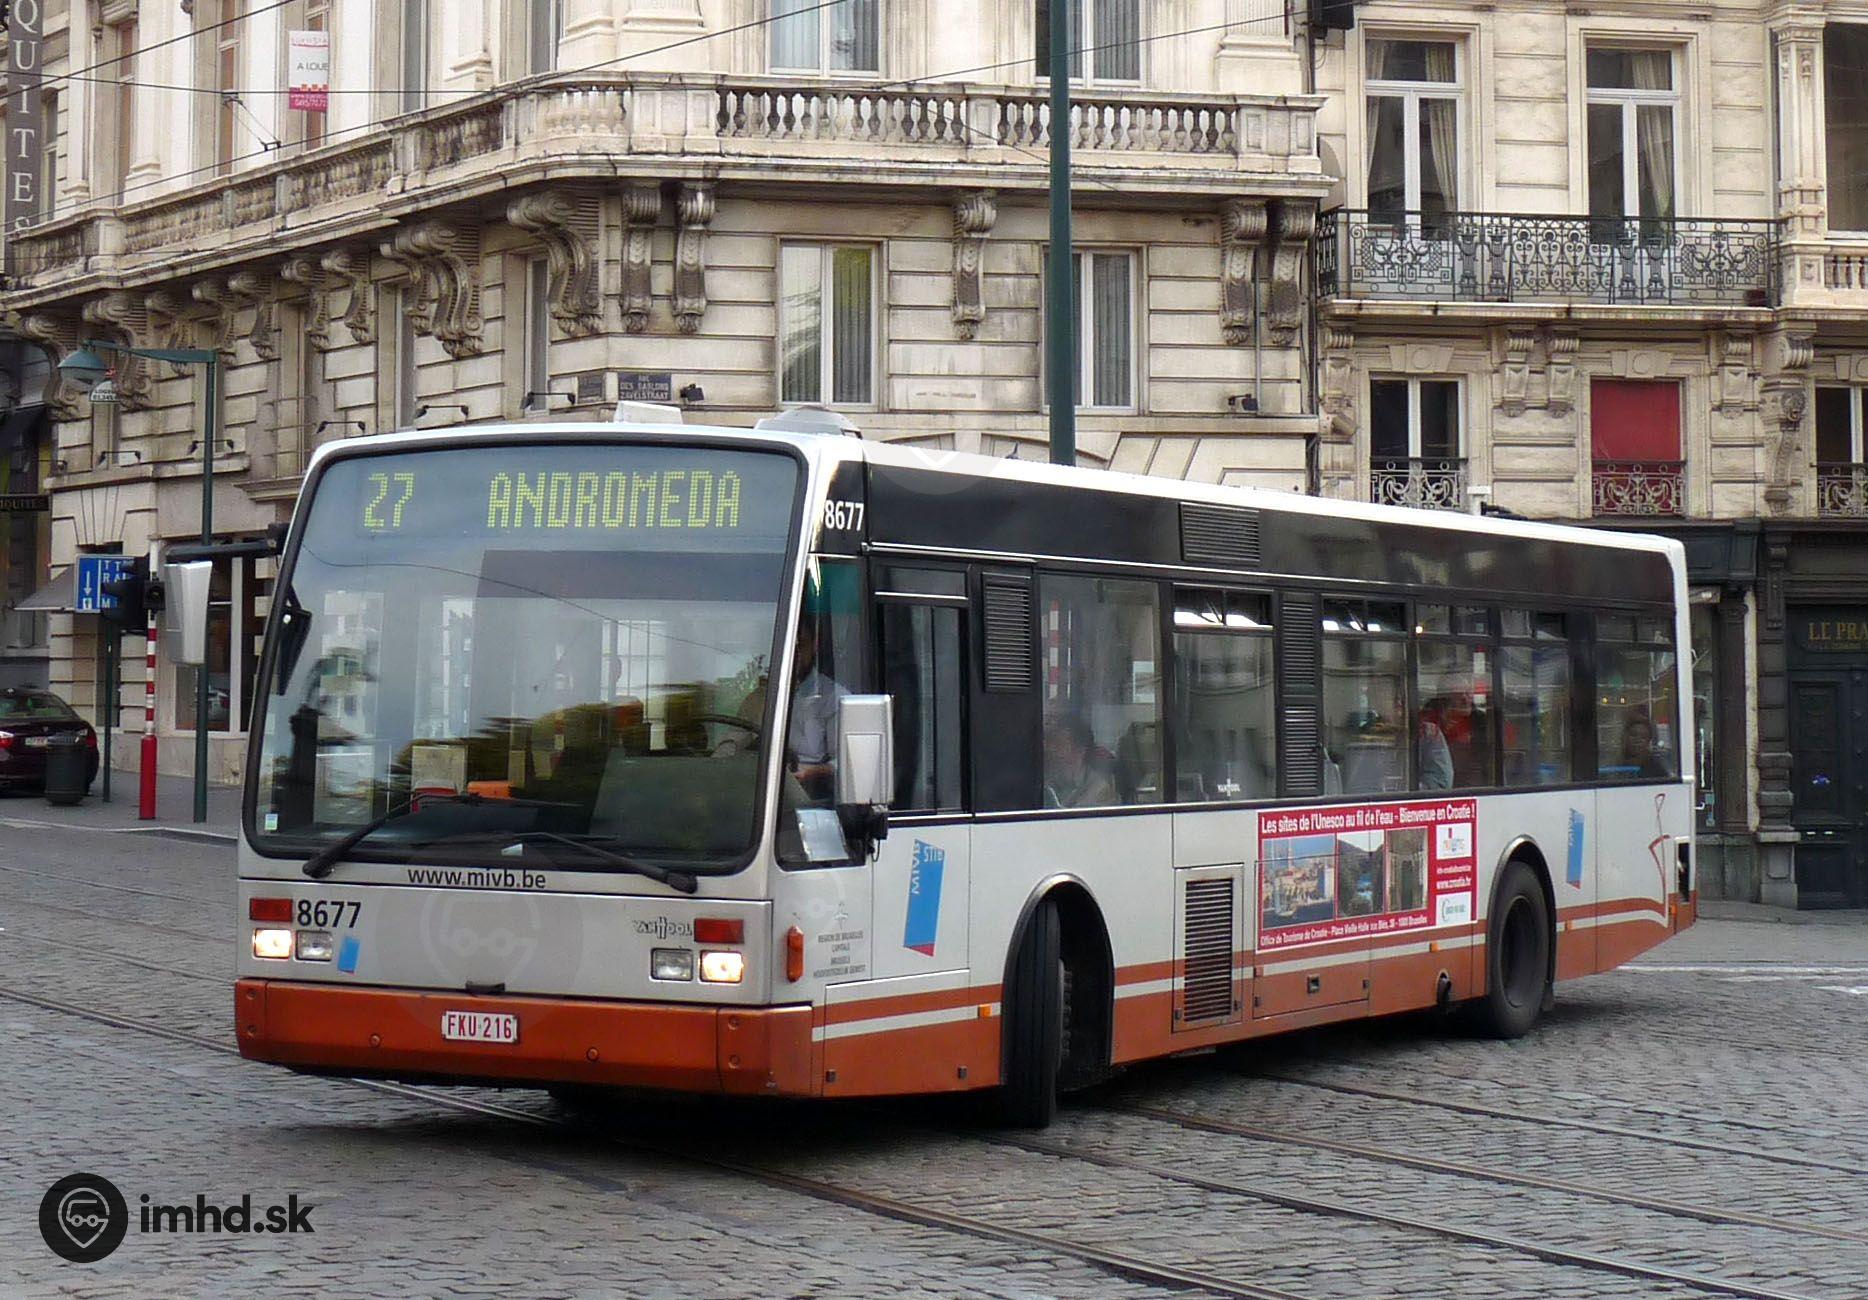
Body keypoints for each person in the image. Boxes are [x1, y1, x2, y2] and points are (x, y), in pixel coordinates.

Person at [787, 617, 847, 799]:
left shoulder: (834, 697)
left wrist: (810, 772)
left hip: (810, 793)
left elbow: (845, 761)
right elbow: (734, 743)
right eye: (789, 648)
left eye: (801, 645)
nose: (794, 655)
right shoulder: (763, 695)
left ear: (815, 645)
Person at [1043, 714, 1118, 808]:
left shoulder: (1099, 789)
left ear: (1080, 750)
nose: (1051, 749)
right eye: (1051, 742)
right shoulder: (1045, 779)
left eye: (1059, 744)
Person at [1621, 715, 1671, 780]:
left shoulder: (1655, 767)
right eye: (1633, 735)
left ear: (1648, 741)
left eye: (1643, 737)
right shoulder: (1616, 761)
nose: (1637, 740)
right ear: (1625, 736)